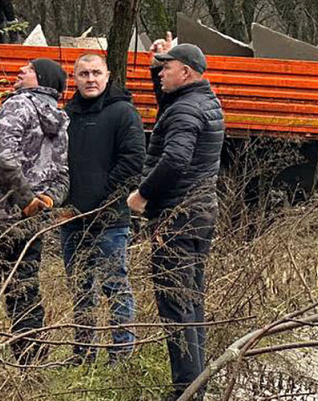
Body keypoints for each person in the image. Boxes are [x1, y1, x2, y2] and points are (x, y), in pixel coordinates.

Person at [128, 35, 224, 400]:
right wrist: (157, 61)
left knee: (175, 305)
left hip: (178, 217)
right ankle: (196, 386)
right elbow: (169, 103)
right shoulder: (202, 100)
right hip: (200, 214)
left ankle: (185, 391)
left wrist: (143, 195)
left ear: (185, 73)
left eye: (166, 69)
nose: (161, 74)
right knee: (192, 301)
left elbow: (174, 159)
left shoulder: (185, 110)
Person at [0, 58, 69, 368]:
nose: (20, 71)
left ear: (41, 78)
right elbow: (63, 174)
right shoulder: (60, 118)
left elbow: (5, 159)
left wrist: (26, 200)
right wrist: (45, 201)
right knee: (25, 290)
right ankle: (31, 364)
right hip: (30, 222)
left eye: (28, 69)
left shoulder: (17, 105)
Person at [61, 53, 145, 364]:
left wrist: (104, 199)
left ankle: (121, 354)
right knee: (80, 288)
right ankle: (83, 353)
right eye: (83, 74)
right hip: (72, 218)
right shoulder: (67, 114)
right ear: (75, 78)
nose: (90, 79)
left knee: (115, 286)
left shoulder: (123, 112)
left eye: (96, 72)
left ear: (108, 76)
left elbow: (134, 160)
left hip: (110, 220)